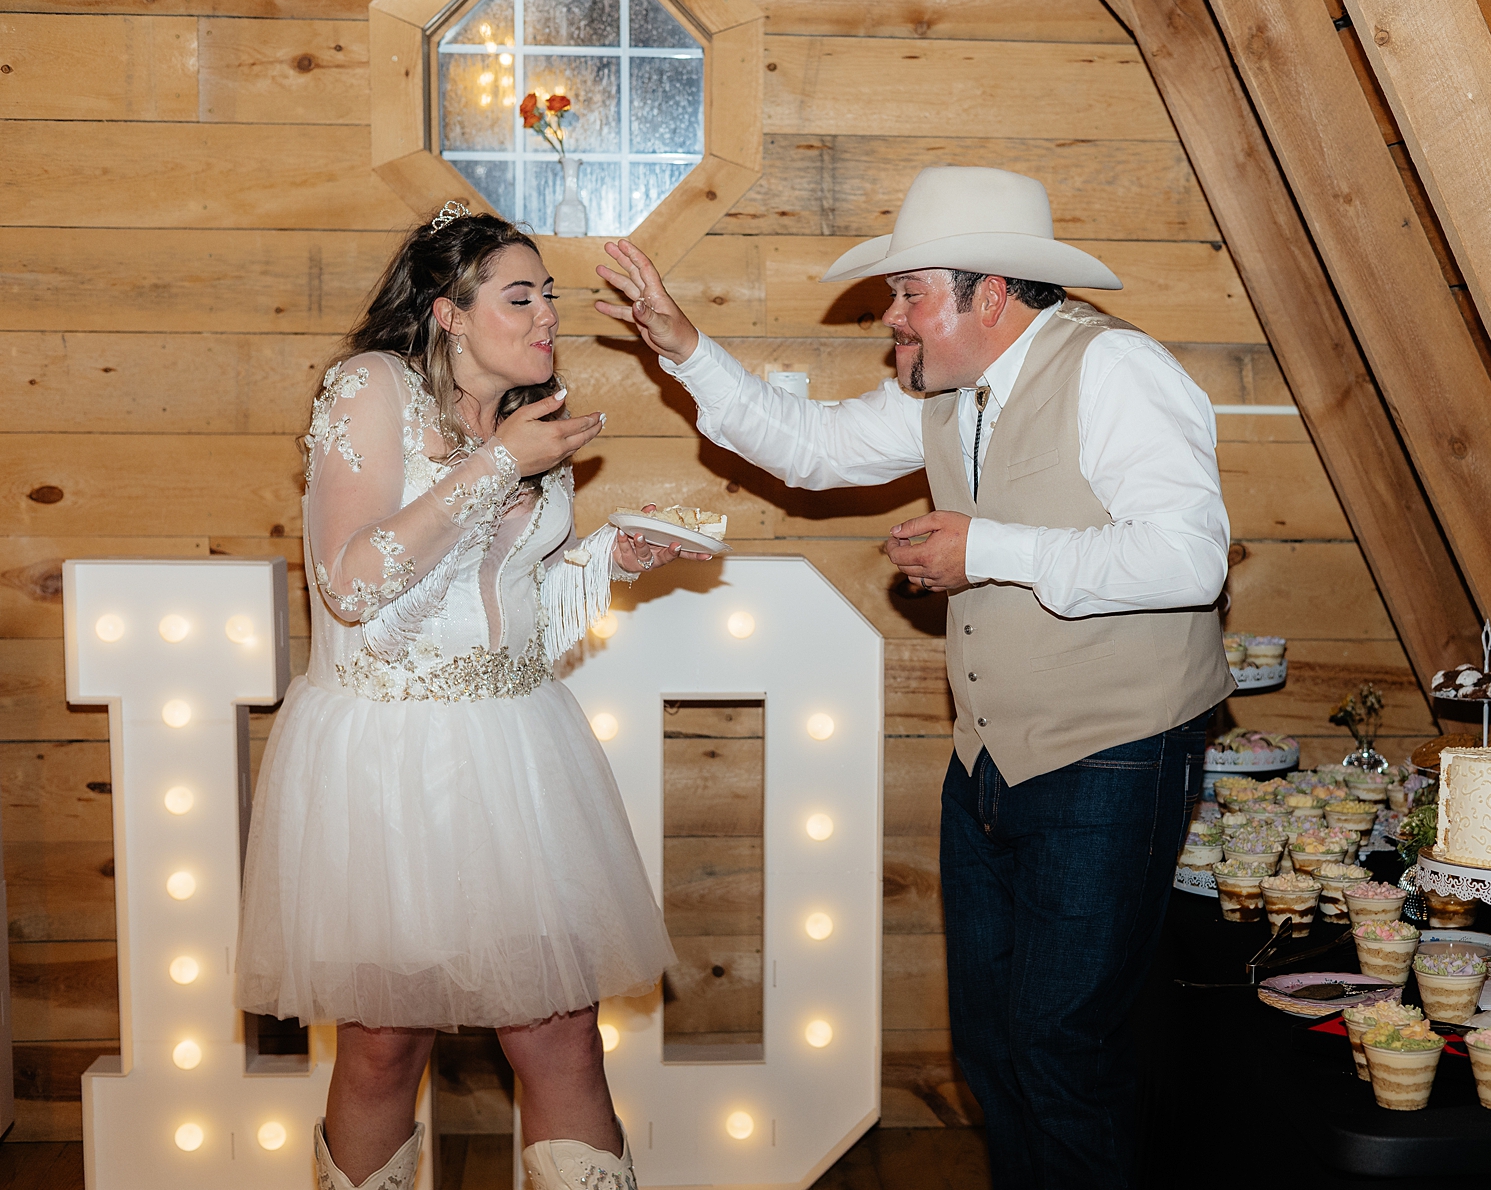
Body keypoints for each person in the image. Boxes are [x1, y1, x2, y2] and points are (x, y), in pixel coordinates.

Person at [594, 166, 1236, 1189]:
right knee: (993, 1052)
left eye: (911, 294)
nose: (894, 317)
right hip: (985, 760)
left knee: (1065, 1053)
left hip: (1111, 760)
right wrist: (685, 349)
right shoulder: (945, 390)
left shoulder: (1114, 370)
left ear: (990, 294)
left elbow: (1187, 558)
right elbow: (808, 448)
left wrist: (986, 550)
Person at [235, 202, 702, 1190]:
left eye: (550, 299)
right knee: (379, 1049)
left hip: (516, 751)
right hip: (385, 759)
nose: (548, 319)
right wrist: (497, 465)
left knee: (567, 1040)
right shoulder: (371, 388)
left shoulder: (529, 418)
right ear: (447, 310)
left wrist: (606, 558)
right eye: (521, 297)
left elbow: (505, 605)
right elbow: (352, 584)